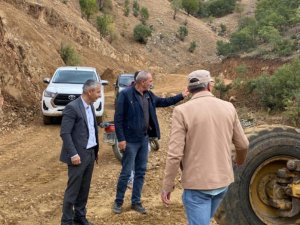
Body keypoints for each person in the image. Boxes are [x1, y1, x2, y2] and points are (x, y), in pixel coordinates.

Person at [161, 70, 249, 225]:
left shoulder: (181, 111)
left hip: (197, 186)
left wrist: (167, 185)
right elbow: (243, 144)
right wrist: (240, 161)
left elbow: (175, 154)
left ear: (189, 89)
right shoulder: (228, 107)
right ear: (209, 86)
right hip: (222, 183)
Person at [113, 70, 189, 214]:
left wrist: (181, 96)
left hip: (143, 139)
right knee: (126, 172)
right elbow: (118, 118)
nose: (151, 83)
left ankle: (136, 202)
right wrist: (121, 139)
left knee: (141, 172)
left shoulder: (148, 95)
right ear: (142, 82)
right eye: (150, 81)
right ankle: (118, 202)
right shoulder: (125, 94)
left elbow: (163, 102)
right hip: (130, 141)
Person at [60, 79, 101, 225]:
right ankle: (67, 221)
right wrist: (73, 154)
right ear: (89, 92)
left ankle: (80, 216)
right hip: (78, 156)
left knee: (84, 189)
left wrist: (95, 151)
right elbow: (65, 133)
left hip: (90, 154)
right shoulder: (72, 107)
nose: (100, 95)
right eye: (98, 92)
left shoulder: (91, 106)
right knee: (73, 190)